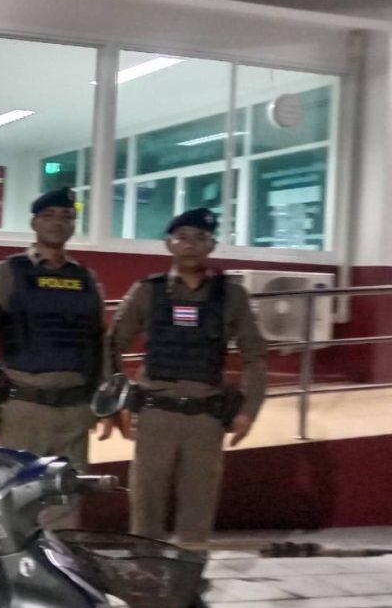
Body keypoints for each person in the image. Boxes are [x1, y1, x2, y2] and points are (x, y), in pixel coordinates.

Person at [107, 207, 267, 543]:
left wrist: (248, 410)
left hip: (206, 420)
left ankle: (189, 570)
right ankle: (146, 569)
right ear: (169, 244)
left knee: (198, 509)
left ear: (212, 245)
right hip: (155, 416)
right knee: (146, 506)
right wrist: (118, 400)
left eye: (200, 238)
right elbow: (111, 346)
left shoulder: (232, 295)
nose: (190, 245)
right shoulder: (147, 291)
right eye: (182, 238)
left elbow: (255, 355)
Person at [0, 187, 114, 528]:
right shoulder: (8, 272)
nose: (58, 222)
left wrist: (105, 403)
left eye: (66, 216)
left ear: (73, 224)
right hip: (23, 409)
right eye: (49, 216)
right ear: (34, 223)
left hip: (75, 410)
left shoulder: (86, 279)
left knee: (66, 499)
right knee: (17, 499)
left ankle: (60, 561)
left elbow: (99, 344)